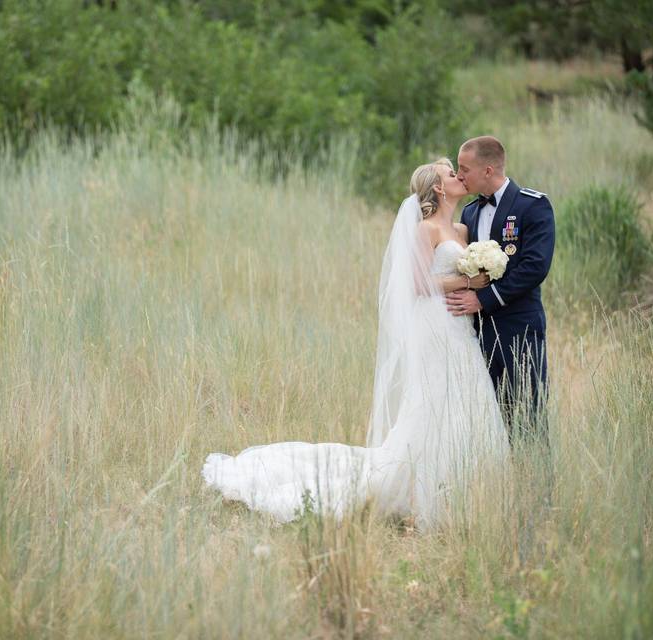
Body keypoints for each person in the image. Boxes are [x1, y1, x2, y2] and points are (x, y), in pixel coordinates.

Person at [202, 159, 509, 529]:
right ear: (440, 189)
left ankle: (464, 492)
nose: (459, 177)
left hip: (461, 329)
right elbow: (413, 285)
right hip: (434, 326)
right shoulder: (425, 229)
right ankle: (424, 497)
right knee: (432, 402)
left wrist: (480, 275)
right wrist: (467, 284)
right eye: (450, 174)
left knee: (463, 399)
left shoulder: (461, 228)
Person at [446, 136, 555, 444]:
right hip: (478, 334)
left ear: (488, 170)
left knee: (529, 417)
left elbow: (535, 267)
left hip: (519, 329)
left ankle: (537, 489)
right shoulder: (469, 213)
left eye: (464, 168)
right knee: (491, 421)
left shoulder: (532, 206)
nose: (459, 175)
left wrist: (483, 299)